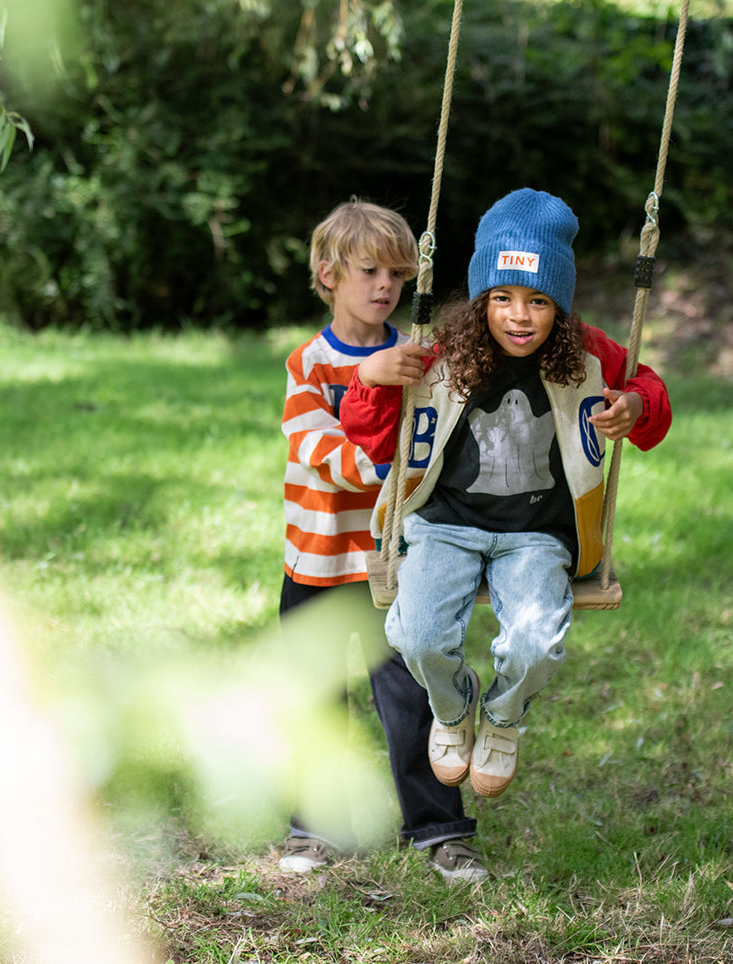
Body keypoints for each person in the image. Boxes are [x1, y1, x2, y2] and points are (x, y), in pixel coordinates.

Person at [340, 188, 672, 799]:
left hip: (538, 535)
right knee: (414, 634)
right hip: (444, 522)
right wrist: (368, 378)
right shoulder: (442, 354)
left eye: (538, 301)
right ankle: (454, 704)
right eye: (502, 298)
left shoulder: (592, 354)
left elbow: (647, 391)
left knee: (535, 644)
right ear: (481, 299)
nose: (519, 316)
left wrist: (635, 406)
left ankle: (503, 718)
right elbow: (374, 434)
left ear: (561, 306)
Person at [277, 199, 486, 883]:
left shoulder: (417, 359)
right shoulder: (306, 364)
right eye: (369, 270)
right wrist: (375, 449)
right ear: (327, 273)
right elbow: (316, 446)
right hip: (315, 560)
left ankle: (438, 829)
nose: (384, 287)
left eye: (397, 275)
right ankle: (312, 827)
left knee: (408, 692)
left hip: (390, 563)